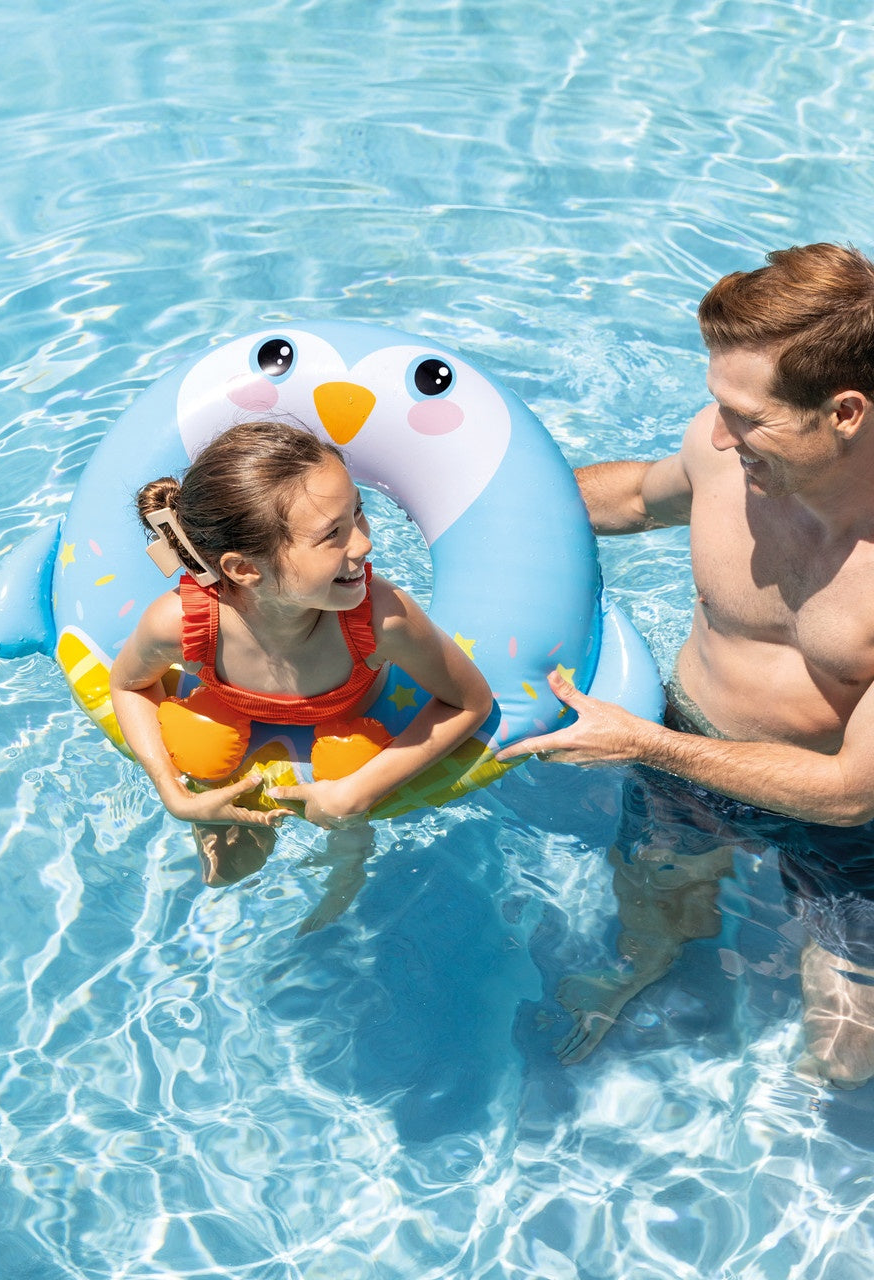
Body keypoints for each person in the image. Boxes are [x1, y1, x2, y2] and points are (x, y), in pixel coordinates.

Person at [498, 242, 874, 1086]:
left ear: (845, 411)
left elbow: (856, 791)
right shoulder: (726, 453)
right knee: (648, 930)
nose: (716, 431)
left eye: (749, 414)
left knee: (845, 1061)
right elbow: (632, 497)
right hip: (683, 753)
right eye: (719, 402)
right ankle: (648, 968)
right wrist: (477, 503)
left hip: (848, 828)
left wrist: (640, 743)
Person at [110, 420, 493, 881]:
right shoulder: (182, 624)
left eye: (359, 512)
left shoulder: (380, 619)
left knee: (350, 777)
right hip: (229, 719)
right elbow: (129, 685)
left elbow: (469, 701)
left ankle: (348, 861)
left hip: (351, 726)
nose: (365, 542)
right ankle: (223, 824)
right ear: (244, 568)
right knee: (200, 753)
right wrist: (170, 790)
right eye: (333, 534)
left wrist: (359, 791)